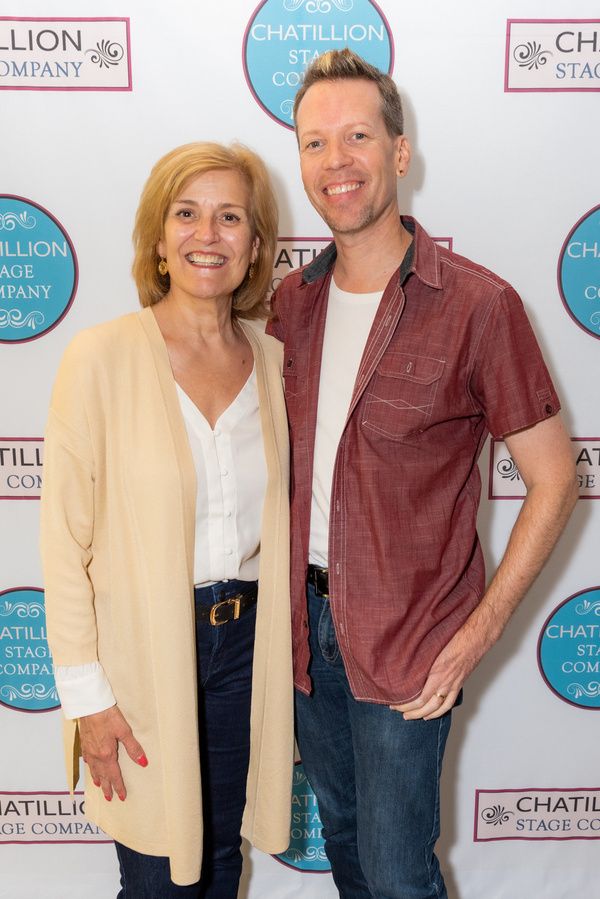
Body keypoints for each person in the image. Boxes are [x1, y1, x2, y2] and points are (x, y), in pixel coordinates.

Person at [267, 49, 578, 899]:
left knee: (400, 875)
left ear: (400, 154)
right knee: (345, 847)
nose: (338, 162)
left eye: (358, 136)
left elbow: (555, 478)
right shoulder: (289, 306)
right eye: (316, 142)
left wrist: (474, 635)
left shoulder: (481, 306)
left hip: (411, 641)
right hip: (303, 635)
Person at [40, 141, 294, 898]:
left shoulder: (277, 364)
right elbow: (63, 542)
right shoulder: (101, 357)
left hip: (248, 650)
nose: (206, 235)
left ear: (255, 247)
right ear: (158, 238)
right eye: (186, 214)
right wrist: (88, 699)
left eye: (228, 218)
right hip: (143, 656)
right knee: (159, 877)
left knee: (219, 861)